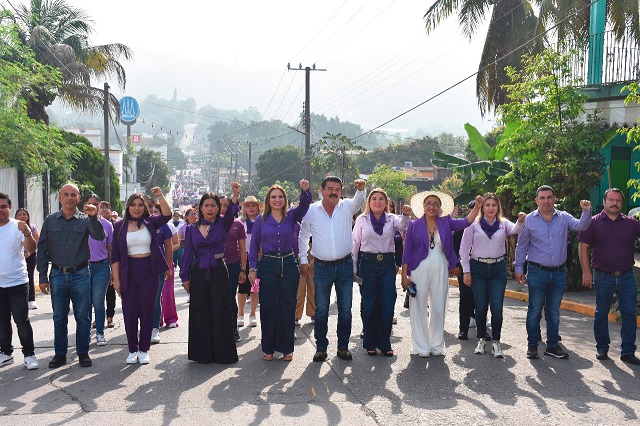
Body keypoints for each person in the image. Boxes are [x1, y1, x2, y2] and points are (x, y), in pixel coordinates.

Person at [402, 191, 483, 358]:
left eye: (435, 204)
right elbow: (407, 251)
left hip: (440, 267)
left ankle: (436, 344)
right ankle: (421, 346)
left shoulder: (446, 222)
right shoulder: (414, 225)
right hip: (419, 269)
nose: (432, 206)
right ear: (423, 206)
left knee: (438, 307)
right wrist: (404, 276)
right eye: (429, 203)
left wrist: (477, 207)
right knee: (418, 308)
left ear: (440, 208)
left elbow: (465, 222)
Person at [515, 185, 592, 360]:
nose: (546, 201)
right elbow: (522, 246)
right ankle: (532, 345)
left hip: (558, 273)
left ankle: (552, 346)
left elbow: (581, 226)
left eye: (549, 197)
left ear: (554, 199)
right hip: (537, 272)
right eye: (542, 198)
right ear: (536, 201)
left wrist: (586, 211)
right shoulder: (528, 220)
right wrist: (519, 268)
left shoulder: (564, 217)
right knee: (534, 309)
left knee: (554, 311)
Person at [37, 183, 106, 368]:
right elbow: (42, 248)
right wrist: (42, 276)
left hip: (81, 274)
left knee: (83, 316)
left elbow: (100, 236)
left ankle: (83, 352)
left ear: (78, 198)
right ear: (60, 197)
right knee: (59, 317)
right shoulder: (50, 220)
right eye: (66, 194)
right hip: (58, 275)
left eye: (73, 195)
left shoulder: (86, 219)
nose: (69, 198)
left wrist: (94, 217)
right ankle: (60, 354)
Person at [299, 177, 366, 362]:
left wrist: (361, 189)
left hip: (344, 266)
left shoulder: (346, 207)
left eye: (337, 189)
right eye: (330, 188)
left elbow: (359, 201)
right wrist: (304, 259)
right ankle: (321, 348)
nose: (334, 192)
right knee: (321, 309)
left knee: (345, 309)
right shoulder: (312, 210)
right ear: (321, 190)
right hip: (321, 267)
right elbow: (303, 235)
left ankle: (342, 347)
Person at [249, 180, 311, 361]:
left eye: (280, 197)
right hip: (267, 265)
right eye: (273, 197)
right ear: (268, 200)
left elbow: (305, 206)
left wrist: (305, 191)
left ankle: (287, 348)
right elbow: (254, 247)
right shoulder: (261, 220)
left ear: (285, 199)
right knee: (268, 307)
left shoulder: (291, 216)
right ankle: (267, 347)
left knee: (288, 306)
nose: (277, 200)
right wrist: (253, 269)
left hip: (289, 264)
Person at [180, 183, 242, 364]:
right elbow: (187, 254)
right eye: (206, 205)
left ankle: (222, 353)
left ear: (218, 208)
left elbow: (231, 211)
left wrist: (235, 195)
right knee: (200, 309)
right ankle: (202, 353)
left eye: (213, 205)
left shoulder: (224, 224)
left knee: (220, 309)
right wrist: (185, 277)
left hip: (218, 269)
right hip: (199, 271)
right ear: (200, 207)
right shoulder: (191, 229)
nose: (209, 209)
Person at [578, 188, 640, 365]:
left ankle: (628, 351)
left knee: (628, 313)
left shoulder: (632, 223)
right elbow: (583, 247)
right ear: (604, 202)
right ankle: (602, 348)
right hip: (602, 276)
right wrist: (586, 272)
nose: (614, 203)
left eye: (618, 201)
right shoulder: (593, 223)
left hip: (627, 276)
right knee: (601, 312)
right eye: (611, 200)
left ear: (622, 203)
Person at [460, 193, 525, 358]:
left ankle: (496, 341)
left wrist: (520, 220)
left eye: (494, 205)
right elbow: (463, 250)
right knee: (480, 307)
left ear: (498, 207)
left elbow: (516, 229)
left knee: (497, 308)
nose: (490, 208)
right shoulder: (473, 225)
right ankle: (481, 339)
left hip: (497, 269)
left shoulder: (503, 224)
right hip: (478, 268)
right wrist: (466, 271)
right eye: (487, 205)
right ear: (482, 207)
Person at [111, 188, 172, 365]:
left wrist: (160, 197)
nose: (136, 208)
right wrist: (116, 279)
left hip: (149, 270)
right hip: (128, 271)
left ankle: (144, 349)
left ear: (144, 207)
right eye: (133, 205)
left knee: (146, 310)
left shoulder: (151, 222)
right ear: (127, 207)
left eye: (140, 205)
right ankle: (132, 350)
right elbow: (114, 255)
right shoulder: (119, 226)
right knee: (130, 312)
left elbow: (167, 215)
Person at [352, 188, 411, 357]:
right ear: (368, 202)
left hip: (387, 264)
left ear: (386, 203)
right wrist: (354, 268)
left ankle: (385, 342)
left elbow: (403, 226)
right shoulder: (362, 220)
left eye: (381, 199)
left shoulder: (391, 219)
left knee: (387, 302)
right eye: (374, 199)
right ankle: (370, 342)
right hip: (367, 264)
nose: (377, 202)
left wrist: (406, 215)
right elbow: (354, 245)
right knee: (369, 303)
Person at [0, 193, 39, 370]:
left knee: (21, 320)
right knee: (2, 321)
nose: (1, 210)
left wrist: (28, 233)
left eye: (3, 206)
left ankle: (29, 355)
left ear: (9, 207)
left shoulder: (18, 226)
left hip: (17, 282)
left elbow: (31, 249)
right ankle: (6, 353)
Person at [85, 194, 113, 347]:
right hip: (83, 267)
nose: (92, 206)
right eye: (89, 203)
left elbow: (110, 249)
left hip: (101, 267)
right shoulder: (80, 223)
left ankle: (100, 333)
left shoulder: (107, 225)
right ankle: (86, 332)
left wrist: (112, 270)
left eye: (96, 204)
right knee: (85, 302)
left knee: (98, 302)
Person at [219, 195, 247, 342]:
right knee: (217, 298)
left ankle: (233, 329)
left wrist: (243, 269)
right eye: (221, 205)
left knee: (230, 297)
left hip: (233, 265)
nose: (223, 208)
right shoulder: (212, 223)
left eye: (226, 205)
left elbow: (242, 248)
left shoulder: (238, 225)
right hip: (215, 265)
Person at [150, 203, 179, 344]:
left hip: (158, 267)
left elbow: (169, 246)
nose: (152, 212)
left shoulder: (164, 226)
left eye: (155, 210)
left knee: (155, 298)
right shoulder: (136, 224)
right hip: (139, 268)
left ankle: (154, 327)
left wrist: (168, 267)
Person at [239, 197, 261, 328]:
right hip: (244, 257)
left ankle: (252, 314)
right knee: (242, 287)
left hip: (258, 258)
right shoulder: (241, 223)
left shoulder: (263, 221)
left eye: (254, 205)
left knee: (255, 287)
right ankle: (240, 314)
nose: (251, 208)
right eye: (248, 206)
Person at [15, 208, 39, 310]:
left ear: (28, 216)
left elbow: (37, 241)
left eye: (24, 214)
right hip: (17, 257)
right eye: (19, 214)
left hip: (30, 256)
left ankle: (31, 300)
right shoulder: (13, 227)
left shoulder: (32, 228)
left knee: (30, 276)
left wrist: (28, 253)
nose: (22, 216)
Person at [98, 201, 116, 328]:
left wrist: (113, 267)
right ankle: (97, 318)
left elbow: (112, 248)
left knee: (110, 290)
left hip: (108, 262)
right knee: (96, 295)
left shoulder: (114, 225)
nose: (104, 210)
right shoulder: (90, 223)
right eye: (101, 208)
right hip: (92, 263)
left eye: (106, 208)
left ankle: (110, 317)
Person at [294, 221, 315, 326]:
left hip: (316, 253)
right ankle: (296, 315)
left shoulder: (318, 219)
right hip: (300, 252)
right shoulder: (297, 221)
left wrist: (315, 258)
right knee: (299, 288)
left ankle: (313, 313)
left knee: (313, 287)